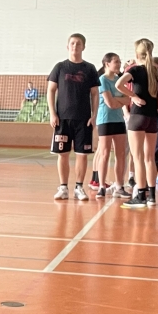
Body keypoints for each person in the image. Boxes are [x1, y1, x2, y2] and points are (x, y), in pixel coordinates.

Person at [116, 38, 158, 208]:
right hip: (153, 118)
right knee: (150, 158)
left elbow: (118, 84)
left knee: (138, 158)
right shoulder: (157, 71)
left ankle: (141, 195)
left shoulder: (135, 70)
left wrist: (133, 97)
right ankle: (151, 196)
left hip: (138, 116)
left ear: (137, 54)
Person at [47, 34, 100, 201]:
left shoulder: (89, 68)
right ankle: (63, 187)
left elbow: (95, 94)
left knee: (82, 154)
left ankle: (79, 187)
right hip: (62, 119)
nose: (75, 46)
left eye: (78, 44)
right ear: (67, 46)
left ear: (83, 47)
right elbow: (51, 90)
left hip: (83, 119)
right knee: (62, 154)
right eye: (72, 43)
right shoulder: (60, 67)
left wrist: (94, 115)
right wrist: (52, 113)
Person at [94, 52, 129, 198]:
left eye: (120, 61)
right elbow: (110, 103)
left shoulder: (119, 81)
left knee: (121, 154)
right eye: (116, 62)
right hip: (105, 120)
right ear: (107, 64)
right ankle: (102, 186)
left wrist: (117, 100)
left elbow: (128, 99)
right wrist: (119, 100)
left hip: (119, 120)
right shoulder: (102, 80)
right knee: (105, 153)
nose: (119, 64)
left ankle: (119, 186)